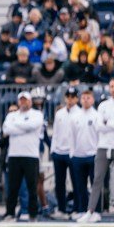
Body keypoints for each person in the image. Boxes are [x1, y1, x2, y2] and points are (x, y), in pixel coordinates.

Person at [80, 78, 114, 223]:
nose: (113, 89)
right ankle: (90, 211)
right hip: (103, 145)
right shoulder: (103, 105)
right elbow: (98, 126)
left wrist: (108, 122)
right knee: (97, 179)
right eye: (111, 86)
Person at [1, 91, 45, 221]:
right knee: (13, 187)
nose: (23, 102)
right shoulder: (11, 115)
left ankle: (33, 214)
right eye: (21, 100)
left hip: (31, 155)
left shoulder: (37, 114)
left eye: (25, 100)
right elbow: (6, 130)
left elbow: (32, 125)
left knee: (32, 187)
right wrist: (24, 128)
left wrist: (16, 126)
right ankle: (10, 213)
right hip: (14, 155)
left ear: (30, 101)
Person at [52, 86, 80, 217]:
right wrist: (53, 150)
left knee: (76, 182)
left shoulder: (80, 113)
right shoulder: (59, 113)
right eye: (68, 97)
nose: (70, 99)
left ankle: (77, 209)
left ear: (77, 99)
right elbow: (55, 133)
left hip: (73, 153)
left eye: (72, 97)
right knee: (59, 183)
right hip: (59, 152)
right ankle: (61, 209)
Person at [72, 88, 99, 217]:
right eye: (83, 98)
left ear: (93, 100)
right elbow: (72, 136)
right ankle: (82, 210)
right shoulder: (75, 116)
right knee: (80, 186)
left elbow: (100, 136)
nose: (86, 100)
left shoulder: (97, 116)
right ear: (80, 100)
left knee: (95, 185)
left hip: (93, 155)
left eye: (88, 98)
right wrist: (72, 153)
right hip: (78, 156)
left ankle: (95, 211)